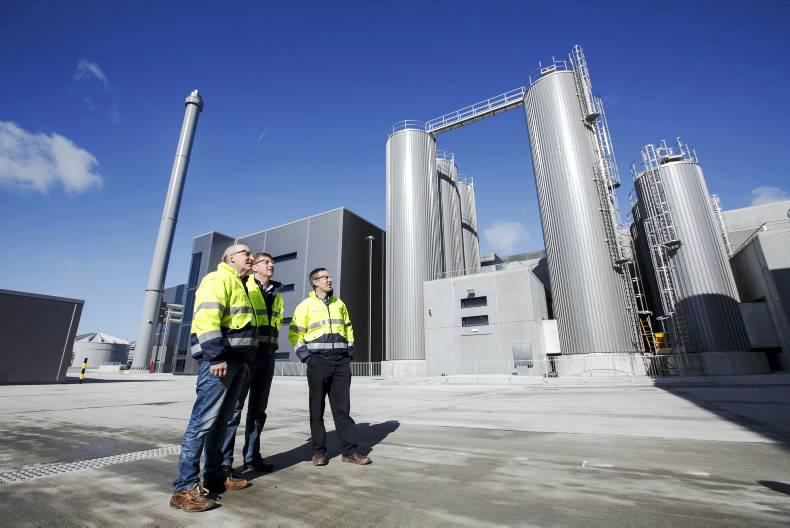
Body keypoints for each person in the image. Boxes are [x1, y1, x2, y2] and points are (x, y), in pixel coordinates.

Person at [169, 244, 257, 513]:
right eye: (246, 253)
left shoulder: (241, 284)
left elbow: (240, 328)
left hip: (236, 363)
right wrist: (216, 357)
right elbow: (207, 319)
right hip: (219, 362)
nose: (251, 257)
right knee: (202, 424)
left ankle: (214, 476)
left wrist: (244, 363)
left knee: (221, 422)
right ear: (230, 258)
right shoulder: (217, 279)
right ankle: (183, 489)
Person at [288, 267, 371, 466]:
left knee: (343, 410)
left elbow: (349, 328)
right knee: (316, 409)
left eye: (329, 276)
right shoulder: (305, 306)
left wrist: (349, 352)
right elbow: (294, 334)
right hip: (317, 362)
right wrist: (307, 358)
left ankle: (349, 452)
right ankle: (319, 452)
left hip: (340, 363)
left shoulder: (339, 304)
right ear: (315, 282)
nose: (329, 279)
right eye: (325, 277)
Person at [221, 252, 283, 474]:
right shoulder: (245, 287)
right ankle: (225, 463)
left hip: (267, 357)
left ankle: (252, 457)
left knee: (258, 411)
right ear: (255, 267)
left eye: (272, 262)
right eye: (266, 262)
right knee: (234, 411)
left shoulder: (276, 294)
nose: (270, 265)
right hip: (247, 357)